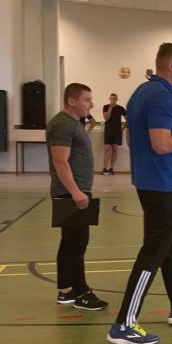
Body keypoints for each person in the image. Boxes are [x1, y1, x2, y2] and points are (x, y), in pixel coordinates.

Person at [107, 43, 172, 344]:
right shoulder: (162, 96)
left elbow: (136, 138)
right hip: (159, 184)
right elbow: (161, 144)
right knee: (154, 250)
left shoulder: (141, 92)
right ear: (171, 65)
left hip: (155, 180)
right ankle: (124, 323)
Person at [46, 83, 108, 311]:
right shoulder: (63, 125)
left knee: (70, 241)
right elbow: (60, 161)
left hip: (76, 190)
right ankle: (82, 293)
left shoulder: (72, 123)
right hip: (72, 191)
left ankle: (66, 290)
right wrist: (75, 191)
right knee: (77, 243)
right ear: (71, 101)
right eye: (86, 100)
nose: (91, 104)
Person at [101, 93, 126, 175]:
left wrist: (123, 128)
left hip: (117, 131)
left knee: (115, 149)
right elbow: (106, 118)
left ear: (117, 99)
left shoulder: (121, 108)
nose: (113, 100)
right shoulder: (105, 107)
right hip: (108, 130)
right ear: (109, 99)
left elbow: (128, 118)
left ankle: (111, 168)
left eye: (114, 98)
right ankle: (105, 168)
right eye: (111, 98)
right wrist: (110, 108)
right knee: (107, 148)